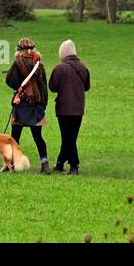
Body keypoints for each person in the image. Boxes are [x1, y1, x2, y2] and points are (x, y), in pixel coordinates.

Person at [4, 38, 50, 174]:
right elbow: (44, 87)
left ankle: (11, 164)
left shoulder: (17, 62)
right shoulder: (39, 64)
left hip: (21, 106)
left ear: (19, 50)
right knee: (38, 137)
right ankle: (44, 163)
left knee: (15, 137)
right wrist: (43, 105)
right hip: (36, 106)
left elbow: (10, 81)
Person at [48, 39, 91, 175]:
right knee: (70, 137)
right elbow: (87, 86)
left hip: (64, 108)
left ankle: (74, 165)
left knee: (68, 137)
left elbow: (53, 87)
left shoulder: (59, 68)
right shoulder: (83, 68)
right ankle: (60, 163)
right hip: (78, 108)